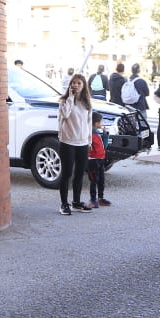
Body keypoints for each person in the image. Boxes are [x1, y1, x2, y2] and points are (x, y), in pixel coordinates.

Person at [55, 74, 94, 215]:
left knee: (79, 174)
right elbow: (64, 115)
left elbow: (89, 124)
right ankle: (64, 204)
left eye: (78, 83)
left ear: (83, 85)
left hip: (82, 143)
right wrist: (70, 98)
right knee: (66, 174)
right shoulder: (64, 101)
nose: (75, 85)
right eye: (73, 83)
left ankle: (76, 203)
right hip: (67, 142)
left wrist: (89, 141)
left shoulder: (87, 103)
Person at [86, 111, 111, 208]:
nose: (102, 124)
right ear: (96, 123)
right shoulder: (90, 135)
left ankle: (100, 198)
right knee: (94, 180)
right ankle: (92, 200)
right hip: (93, 161)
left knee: (101, 180)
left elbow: (104, 146)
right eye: (101, 122)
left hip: (100, 160)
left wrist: (105, 136)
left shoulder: (98, 134)